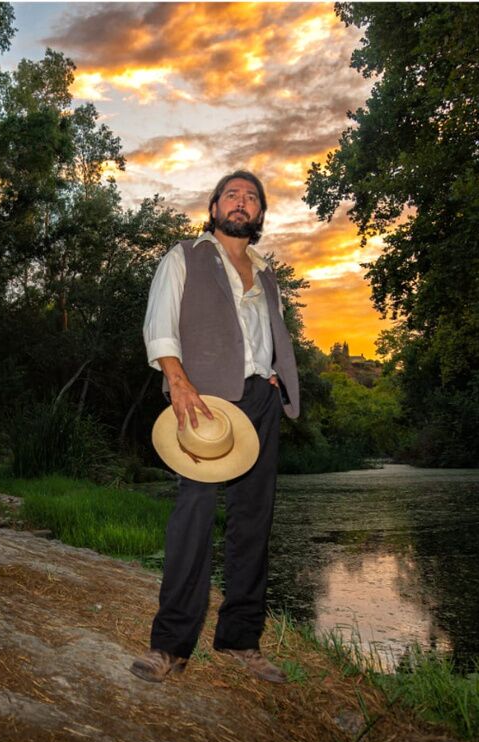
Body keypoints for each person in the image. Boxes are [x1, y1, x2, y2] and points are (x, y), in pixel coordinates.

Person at [130, 170, 300, 684]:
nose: (241, 203)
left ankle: (241, 640)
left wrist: (272, 379)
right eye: (232, 195)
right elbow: (159, 325)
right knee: (194, 516)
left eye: (251, 197)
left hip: (260, 401)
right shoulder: (184, 256)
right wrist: (178, 384)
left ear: (260, 214)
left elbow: (264, 336)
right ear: (214, 206)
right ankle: (170, 646)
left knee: (254, 522)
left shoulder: (267, 272)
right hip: (203, 401)